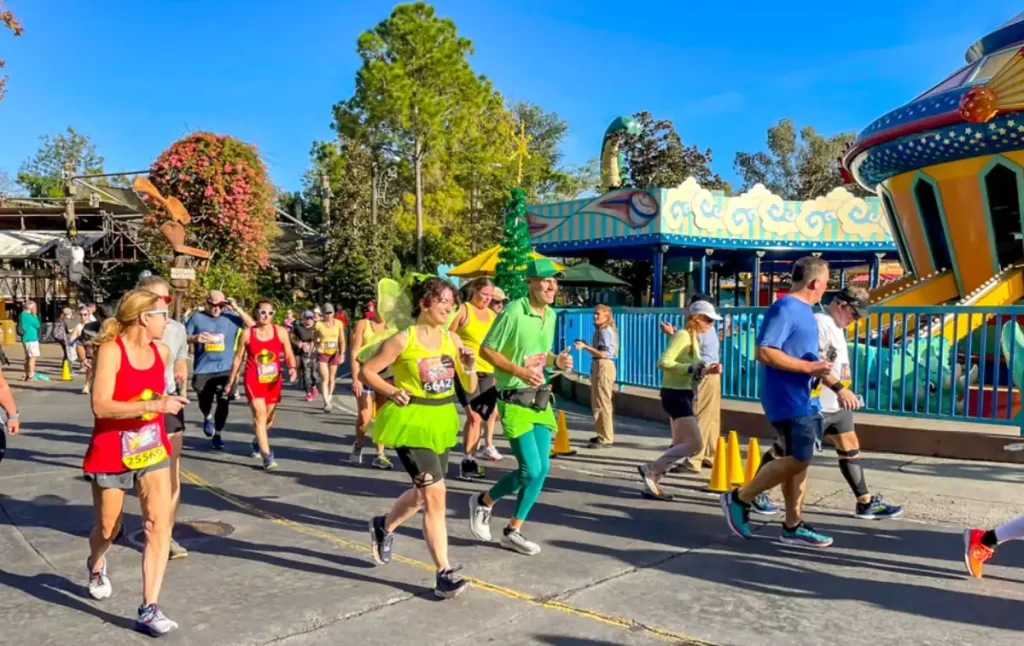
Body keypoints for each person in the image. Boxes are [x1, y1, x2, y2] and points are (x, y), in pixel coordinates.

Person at [363, 277, 477, 599]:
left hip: (441, 420)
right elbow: (368, 371)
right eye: (442, 300)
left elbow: (467, 388)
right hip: (411, 422)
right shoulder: (403, 339)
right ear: (424, 303)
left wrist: (468, 367)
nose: (449, 307)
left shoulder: (452, 340)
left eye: (452, 301)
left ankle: (383, 526)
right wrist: (391, 390)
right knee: (436, 495)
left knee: (420, 494)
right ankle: (443, 572)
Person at [83, 290, 189, 636]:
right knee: (108, 528)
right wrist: (155, 407)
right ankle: (96, 562)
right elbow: (101, 406)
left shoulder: (162, 351)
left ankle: (149, 608)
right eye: (162, 314)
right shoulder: (111, 351)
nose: (167, 320)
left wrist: (164, 402)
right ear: (144, 317)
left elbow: (152, 396)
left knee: (158, 525)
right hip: (111, 450)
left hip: (150, 448)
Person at [751, 287, 902, 521]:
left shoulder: (837, 326)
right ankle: (754, 494)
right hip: (819, 402)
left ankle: (864, 501)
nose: (856, 321)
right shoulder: (820, 323)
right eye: (855, 314)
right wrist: (840, 389)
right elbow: (816, 364)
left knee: (850, 447)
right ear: (841, 305)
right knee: (787, 451)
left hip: (838, 404)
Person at [720, 256, 838, 548]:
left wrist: (821, 373)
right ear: (815, 282)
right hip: (788, 399)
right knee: (801, 458)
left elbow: (799, 354)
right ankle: (739, 499)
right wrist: (809, 368)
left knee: (798, 462)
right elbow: (764, 351)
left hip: (804, 398)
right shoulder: (785, 308)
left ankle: (792, 524)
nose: (826, 289)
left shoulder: (805, 312)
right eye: (826, 283)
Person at [468, 259, 573, 556]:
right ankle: (484, 502)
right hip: (514, 398)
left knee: (542, 470)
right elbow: (486, 349)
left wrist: (557, 361)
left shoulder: (550, 315)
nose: (552, 285)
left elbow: (539, 356)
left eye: (555, 280)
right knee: (530, 469)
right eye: (545, 280)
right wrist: (517, 371)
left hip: (539, 398)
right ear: (530, 282)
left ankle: (513, 530)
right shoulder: (514, 311)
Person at [636, 301, 721, 499]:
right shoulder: (683, 335)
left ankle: (652, 482)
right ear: (697, 318)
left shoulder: (693, 338)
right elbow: (663, 362)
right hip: (675, 394)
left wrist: (707, 369)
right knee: (696, 444)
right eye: (708, 320)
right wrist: (690, 369)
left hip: (682, 392)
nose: (711, 325)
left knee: (679, 443)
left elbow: (693, 372)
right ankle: (651, 468)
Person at [138, 275, 193, 559]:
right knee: (144, 476)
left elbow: (181, 356)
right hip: (137, 408)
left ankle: (165, 533)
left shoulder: (177, 329)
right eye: (158, 299)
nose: (164, 305)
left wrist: (180, 368)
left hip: (169, 404)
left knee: (170, 473)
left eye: (167, 299)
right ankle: (145, 521)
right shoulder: (126, 330)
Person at [227, 300, 297, 471]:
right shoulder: (247, 333)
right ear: (256, 313)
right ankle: (267, 456)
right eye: (263, 312)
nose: (266, 316)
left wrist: (293, 368)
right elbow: (238, 358)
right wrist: (231, 380)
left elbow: (288, 352)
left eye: (270, 313)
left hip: (273, 381)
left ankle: (258, 439)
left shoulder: (280, 332)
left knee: (270, 417)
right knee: (260, 414)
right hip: (254, 379)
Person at [659, 293, 722, 473]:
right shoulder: (706, 329)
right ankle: (711, 455)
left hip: (703, 375)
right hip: (711, 373)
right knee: (710, 417)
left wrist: (672, 335)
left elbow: (684, 351)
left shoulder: (696, 331)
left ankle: (694, 460)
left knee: (701, 416)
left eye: (688, 306)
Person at [185, 290, 254, 449]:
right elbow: (183, 336)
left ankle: (218, 434)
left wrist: (237, 308)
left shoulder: (231, 318)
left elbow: (253, 326)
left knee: (224, 401)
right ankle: (207, 416)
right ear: (206, 303)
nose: (216, 309)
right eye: (212, 305)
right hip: (203, 369)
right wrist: (194, 338)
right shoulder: (197, 318)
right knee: (204, 401)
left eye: (220, 305)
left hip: (226, 369)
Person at [450, 277, 502, 480]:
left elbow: (496, 346)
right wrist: (458, 351)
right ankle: (467, 460)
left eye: (491, 296)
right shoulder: (464, 310)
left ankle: (471, 456)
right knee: (474, 417)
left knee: (482, 416)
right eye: (484, 295)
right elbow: (449, 335)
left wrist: (498, 373)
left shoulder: (491, 315)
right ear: (474, 291)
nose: (488, 299)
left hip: (488, 372)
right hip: (466, 370)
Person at [349, 303, 393, 469]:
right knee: (365, 417)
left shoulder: (393, 327)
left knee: (382, 415)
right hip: (365, 373)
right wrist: (356, 378)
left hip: (385, 375)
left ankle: (379, 454)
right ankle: (359, 443)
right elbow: (354, 352)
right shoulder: (364, 324)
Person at [576, 304, 618, 449]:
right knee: (596, 401)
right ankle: (601, 433)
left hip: (604, 365)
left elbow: (603, 353)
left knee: (603, 403)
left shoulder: (606, 331)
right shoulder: (600, 331)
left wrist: (585, 347)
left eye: (598, 314)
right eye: (594, 314)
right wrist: (587, 345)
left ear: (606, 316)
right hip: (598, 365)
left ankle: (606, 438)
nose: (595, 316)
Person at [314, 304, 345, 413]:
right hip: (323, 352)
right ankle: (326, 401)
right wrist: (316, 346)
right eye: (326, 313)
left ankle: (329, 395)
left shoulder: (338, 324)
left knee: (332, 377)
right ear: (323, 314)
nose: (329, 315)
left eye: (330, 312)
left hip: (334, 353)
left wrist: (342, 353)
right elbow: (315, 338)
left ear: (333, 313)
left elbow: (342, 340)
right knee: (325, 378)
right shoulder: (319, 325)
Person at [291, 310, 319, 402]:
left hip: (315, 353)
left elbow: (322, 337)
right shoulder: (299, 328)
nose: (309, 320)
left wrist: (317, 342)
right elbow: (290, 335)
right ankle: (308, 393)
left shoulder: (316, 327)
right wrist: (297, 343)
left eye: (311, 318)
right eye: (307, 318)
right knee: (306, 374)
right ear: (303, 319)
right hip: (304, 354)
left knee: (314, 373)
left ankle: (314, 386)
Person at [18, 301, 42, 381]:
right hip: (31, 338)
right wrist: (34, 315)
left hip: (25, 338)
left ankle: (26, 373)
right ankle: (31, 374)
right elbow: (37, 324)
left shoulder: (21, 314)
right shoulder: (28, 316)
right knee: (32, 357)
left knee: (27, 357)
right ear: (31, 308)